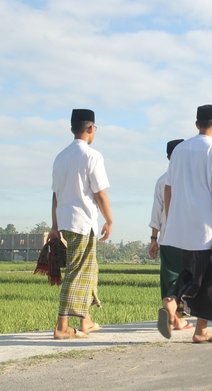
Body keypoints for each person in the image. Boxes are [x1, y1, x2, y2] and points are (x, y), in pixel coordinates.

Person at [158, 104, 212, 343]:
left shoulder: (180, 150)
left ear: (196, 124)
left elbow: (168, 188)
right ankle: (201, 330)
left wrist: (171, 219)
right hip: (206, 228)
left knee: (189, 273)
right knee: (209, 278)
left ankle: (171, 302)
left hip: (179, 227)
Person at [49, 109, 113, 339]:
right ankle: (62, 326)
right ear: (90, 129)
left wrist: (55, 226)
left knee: (88, 270)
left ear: (72, 129)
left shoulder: (60, 157)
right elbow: (100, 193)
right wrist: (109, 219)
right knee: (76, 273)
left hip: (66, 221)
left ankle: (86, 321)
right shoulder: (92, 156)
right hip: (83, 222)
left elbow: (56, 196)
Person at [148, 139, 191, 331]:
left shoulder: (161, 180)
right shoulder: (190, 178)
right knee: (186, 277)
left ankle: (174, 316)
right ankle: (174, 311)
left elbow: (156, 212)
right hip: (188, 238)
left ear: (168, 157)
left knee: (169, 276)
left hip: (166, 237)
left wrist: (153, 239)